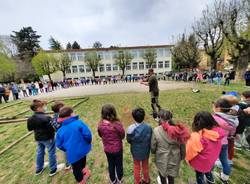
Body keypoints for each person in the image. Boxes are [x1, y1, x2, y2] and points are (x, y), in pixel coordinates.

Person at [151, 109, 190, 184]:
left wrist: (153, 152)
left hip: (161, 158)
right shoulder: (179, 131)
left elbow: (153, 147)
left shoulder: (156, 130)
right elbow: (182, 146)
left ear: (160, 118)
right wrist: (182, 156)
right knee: (171, 176)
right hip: (175, 158)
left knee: (162, 175)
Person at [186, 111, 225, 184]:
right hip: (212, 159)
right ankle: (211, 182)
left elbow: (191, 152)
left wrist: (188, 159)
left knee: (199, 175)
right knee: (208, 171)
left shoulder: (197, 137)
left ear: (196, 123)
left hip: (201, 162)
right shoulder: (217, 131)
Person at [56, 106, 92, 184]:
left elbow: (59, 144)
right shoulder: (79, 123)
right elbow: (88, 135)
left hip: (72, 154)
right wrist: (88, 142)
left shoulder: (60, 130)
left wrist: (66, 149)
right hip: (82, 150)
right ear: (71, 114)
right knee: (80, 164)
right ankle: (81, 181)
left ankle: (82, 174)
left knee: (76, 167)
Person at [27, 99, 57, 176]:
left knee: (40, 152)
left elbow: (30, 128)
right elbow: (53, 128)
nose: (45, 108)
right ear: (38, 108)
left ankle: (39, 168)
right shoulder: (46, 118)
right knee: (51, 152)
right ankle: (53, 169)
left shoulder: (30, 118)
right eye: (43, 106)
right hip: (48, 138)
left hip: (38, 138)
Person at [98, 104, 125, 184]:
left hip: (108, 149)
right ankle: (119, 179)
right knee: (119, 164)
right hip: (117, 149)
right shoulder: (117, 124)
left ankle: (113, 180)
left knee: (111, 164)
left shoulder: (100, 125)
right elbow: (122, 135)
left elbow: (100, 134)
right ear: (113, 112)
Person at [212, 98, 238, 183]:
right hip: (225, 143)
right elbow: (232, 133)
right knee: (225, 161)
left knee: (211, 159)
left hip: (215, 143)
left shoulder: (215, 118)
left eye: (214, 106)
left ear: (218, 108)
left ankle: (208, 176)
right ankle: (225, 178)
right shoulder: (233, 119)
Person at [127, 108, 152, 184]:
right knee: (145, 165)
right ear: (144, 116)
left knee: (136, 166)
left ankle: (137, 182)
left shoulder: (130, 128)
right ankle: (146, 179)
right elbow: (150, 138)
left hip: (135, 151)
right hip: (145, 151)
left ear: (133, 117)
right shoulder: (149, 127)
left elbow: (128, 140)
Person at [50, 101, 70, 169]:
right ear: (60, 109)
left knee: (65, 150)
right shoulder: (62, 117)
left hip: (60, 136)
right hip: (66, 136)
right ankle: (69, 163)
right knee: (69, 149)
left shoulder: (53, 118)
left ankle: (68, 164)